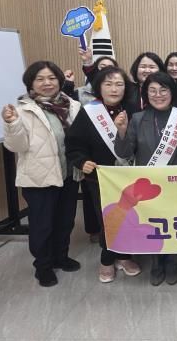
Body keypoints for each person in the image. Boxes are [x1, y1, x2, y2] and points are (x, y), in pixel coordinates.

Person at [114, 72, 177, 286]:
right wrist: (122, 131)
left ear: (172, 92)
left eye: (163, 90)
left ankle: (173, 262)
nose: (158, 95)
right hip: (148, 186)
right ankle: (156, 262)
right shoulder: (137, 119)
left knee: (174, 222)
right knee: (153, 223)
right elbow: (125, 153)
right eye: (152, 91)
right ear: (146, 94)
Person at [2, 61, 81, 287]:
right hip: (39, 178)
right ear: (31, 83)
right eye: (40, 79)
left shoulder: (72, 105)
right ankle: (43, 266)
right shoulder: (22, 110)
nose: (47, 83)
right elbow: (16, 146)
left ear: (60, 81)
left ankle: (61, 257)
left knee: (65, 221)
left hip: (68, 174)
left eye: (52, 78)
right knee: (42, 225)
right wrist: (12, 124)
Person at [65, 66, 142, 283]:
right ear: (99, 87)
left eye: (119, 84)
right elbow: (74, 144)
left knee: (128, 217)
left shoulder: (133, 110)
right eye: (108, 84)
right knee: (108, 219)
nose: (114, 89)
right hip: (100, 178)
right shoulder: (89, 112)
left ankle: (124, 256)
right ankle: (107, 259)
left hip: (129, 177)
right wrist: (82, 161)